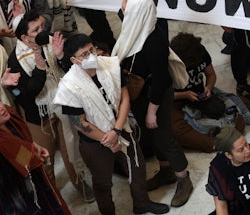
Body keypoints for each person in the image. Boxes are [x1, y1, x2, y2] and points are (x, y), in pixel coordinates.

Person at [54, 33, 169, 215]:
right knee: (102, 182)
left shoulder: (109, 65)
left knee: (137, 167)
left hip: (120, 127)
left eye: (91, 50)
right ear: (74, 60)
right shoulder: (69, 86)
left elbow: (124, 97)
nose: (91, 56)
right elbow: (79, 122)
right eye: (84, 54)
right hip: (95, 142)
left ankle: (141, 203)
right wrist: (108, 139)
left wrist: (116, 130)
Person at [112, 0, 193, 207]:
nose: (120, 9)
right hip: (140, 93)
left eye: (125, 6)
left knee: (164, 137)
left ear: (137, 12)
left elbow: (161, 79)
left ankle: (183, 178)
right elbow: (124, 13)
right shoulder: (136, 23)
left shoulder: (153, 39)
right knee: (151, 135)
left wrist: (151, 111)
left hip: (154, 96)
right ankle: (166, 171)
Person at [9, 11, 94, 201]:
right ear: (24, 37)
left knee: (71, 149)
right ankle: (51, 194)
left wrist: (61, 55)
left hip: (63, 107)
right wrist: (40, 69)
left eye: (42, 26)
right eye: (36, 29)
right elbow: (27, 96)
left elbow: (70, 69)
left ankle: (79, 182)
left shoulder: (51, 42)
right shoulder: (15, 60)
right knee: (45, 159)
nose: (43, 31)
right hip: (38, 118)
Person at [169, 32, 250, 152]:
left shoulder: (200, 51)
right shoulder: (168, 64)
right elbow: (161, 95)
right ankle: (215, 143)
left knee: (236, 105)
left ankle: (227, 131)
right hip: (175, 100)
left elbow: (211, 74)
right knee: (177, 129)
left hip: (199, 93)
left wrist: (209, 87)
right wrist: (185, 94)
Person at [0, 102, 72, 214]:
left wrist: (33, 146)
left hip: (37, 184)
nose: (1, 107)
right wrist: (32, 153)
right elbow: (24, 159)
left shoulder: (8, 117)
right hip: (20, 196)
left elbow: (21, 144)